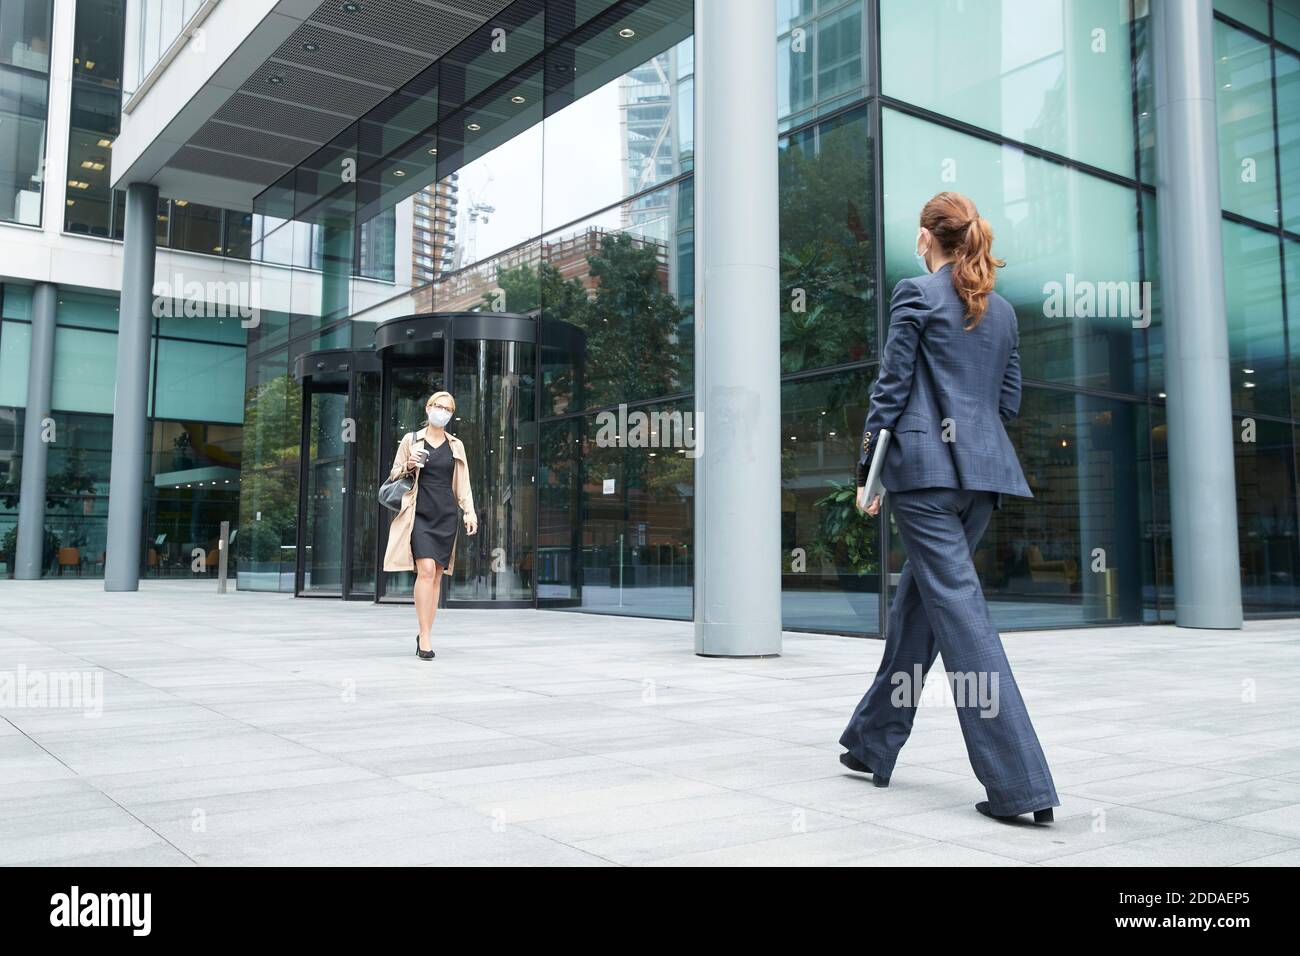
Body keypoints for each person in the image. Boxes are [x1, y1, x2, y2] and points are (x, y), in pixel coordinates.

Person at [838, 191, 1059, 825]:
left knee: (961, 618)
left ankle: (1022, 785)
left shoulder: (915, 292)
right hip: (982, 481)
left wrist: (867, 475)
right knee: (921, 609)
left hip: (926, 479)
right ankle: (871, 743)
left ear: (928, 238)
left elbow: (890, 389)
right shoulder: (1004, 313)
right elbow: (1006, 403)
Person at [382, 391, 478, 660]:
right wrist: (409, 465)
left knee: (435, 576)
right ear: (427, 409)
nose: (442, 411)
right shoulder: (411, 439)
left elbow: (463, 483)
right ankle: (425, 636)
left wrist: (469, 512)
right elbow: (393, 474)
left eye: (447, 408)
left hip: (446, 514)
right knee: (424, 570)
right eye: (438, 406)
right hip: (419, 512)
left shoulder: (456, 445)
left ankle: (426, 630)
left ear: (451, 414)